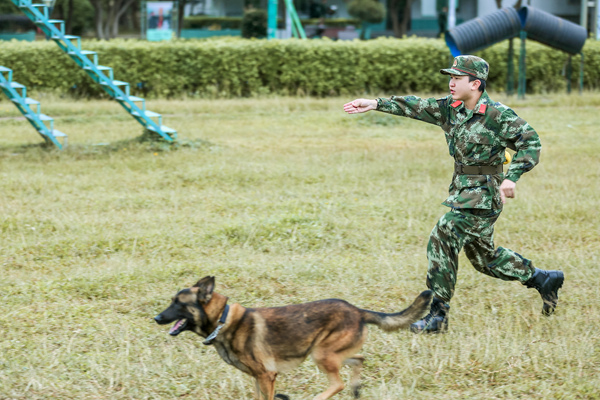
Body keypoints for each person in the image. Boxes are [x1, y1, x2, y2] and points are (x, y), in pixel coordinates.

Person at [343, 55, 564, 334]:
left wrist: (512, 177)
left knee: (444, 231)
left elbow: (530, 142)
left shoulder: (497, 115)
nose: (450, 83)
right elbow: (416, 105)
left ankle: (438, 315)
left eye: (457, 78)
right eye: (450, 77)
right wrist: (374, 104)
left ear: (475, 84)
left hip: (485, 194)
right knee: (486, 260)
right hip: (462, 191)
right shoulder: (451, 109)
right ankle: (542, 279)